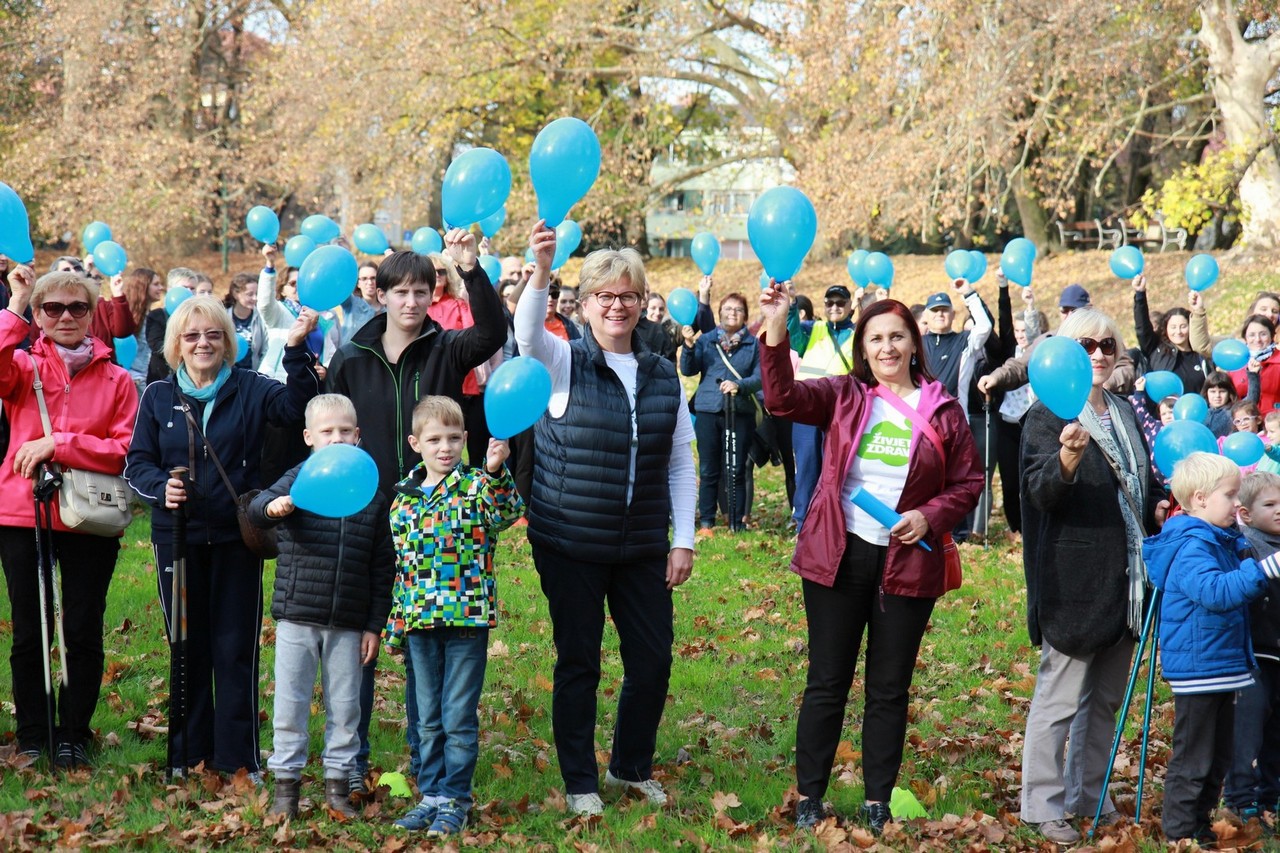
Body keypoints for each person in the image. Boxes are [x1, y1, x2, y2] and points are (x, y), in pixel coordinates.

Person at [756, 286, 982, 835]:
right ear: (862, 346)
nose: (886, 347)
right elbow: (782, 399)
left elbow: (969, 481)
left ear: (913, 343)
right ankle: (811, 795)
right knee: (827, 680)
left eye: (896, 336)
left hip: (908, 561)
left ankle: (877, 800)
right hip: (839, 553)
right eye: (875, 338)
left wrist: (930, 515)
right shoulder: (845, 395)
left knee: (889, 686)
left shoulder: (943, 409)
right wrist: (776, 328)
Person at [515, 221, 695, 818]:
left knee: (653, 660)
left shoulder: (663, 373)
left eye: (628, 295)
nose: (617, 306)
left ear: (642, 303)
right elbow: (525, 335)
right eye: (605, 296)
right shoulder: (563, 360)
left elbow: (679, 461)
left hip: (642, 543)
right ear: (585, 304)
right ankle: (580, 779)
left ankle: (629, 767)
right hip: (570, 539)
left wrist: (684, 539)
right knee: (580, 662)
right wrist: (541, 269)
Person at [327, 229, 505, 794]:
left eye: (420, 292)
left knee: (425, 636)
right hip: (364, 510)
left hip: (434, 519)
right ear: (379, 295)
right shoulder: (352, 357)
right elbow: (327, 430)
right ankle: (351, 758)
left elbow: (493, 331)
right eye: (399, 292)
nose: (410, 302)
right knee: (361, 636)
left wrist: (471, 270)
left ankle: (427, 763)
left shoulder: (447, 348)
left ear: (433, 295)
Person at [125, 295, 320, 776]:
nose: (202, 343)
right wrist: (158, 487)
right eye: (191, 336)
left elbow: (298, 408)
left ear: (228, 341)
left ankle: (238, 760)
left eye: (213, 334)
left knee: (235, 649)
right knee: (187, 648)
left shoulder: (253, 388)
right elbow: (137, 464)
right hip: (178, 538)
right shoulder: (157, 396)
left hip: (236, 538)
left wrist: (295, 349)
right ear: (176, 345)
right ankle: (186, 756)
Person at [1019, 307, 1169, 844]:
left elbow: (1136, 485)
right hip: (1073, 579)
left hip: (1128, 578)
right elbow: (1037, 494)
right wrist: (1063, 458)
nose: (1099, 355)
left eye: (1108, 344)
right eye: (1086, 345)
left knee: (1103, 699)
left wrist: (1155, 510)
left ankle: (1088, 792)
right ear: (1065, 351)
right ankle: (1041, 802)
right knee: (1059, 699)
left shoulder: (1126, 411)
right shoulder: (1046, 415)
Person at [0, 267, 138, 768]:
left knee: (81, 627)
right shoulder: (20, 366)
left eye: (77, 307)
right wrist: (14, 303)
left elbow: (124, 448)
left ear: (92, 314)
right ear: (38, 316)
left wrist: (60, 443)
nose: (65, 316)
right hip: (22, 511)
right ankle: (34, 733)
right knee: (30, 629)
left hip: (90, 517)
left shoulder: (118, 378)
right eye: (51, 308)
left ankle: (73, 733)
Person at [385, 396, 524, 836]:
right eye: (434, 439)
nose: (444, 447)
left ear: (465, 440)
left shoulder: (477, 487)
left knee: (457, 716)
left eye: (452, 438)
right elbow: (402, 569)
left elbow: (508, 512)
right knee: (427, 717)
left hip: (466, 619)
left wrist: (498, 470)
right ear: (415, 443)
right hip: (421, 623)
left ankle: (455, 798)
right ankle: (431, 794)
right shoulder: (403, 500)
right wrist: (395, 624)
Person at [252, 394, 393, 818]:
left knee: (346, 707)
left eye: (345, 431)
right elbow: (258, 507)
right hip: (298, 614)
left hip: (349, 620)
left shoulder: (370, 491)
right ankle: (286, 789)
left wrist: (373, 625)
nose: (337, 439)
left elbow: (383, 566)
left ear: (357, 435)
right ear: (309, 437)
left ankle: (337, 787)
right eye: (327, 432)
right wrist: (273, 507)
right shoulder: (298, 479)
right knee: (290, 704)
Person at [1144, 453, 1278, 845]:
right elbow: (1217, 593)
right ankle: (1180, 832)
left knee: (1218, 757)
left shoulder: (1223, 539)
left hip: (1223, 665)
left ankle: (1200, 826)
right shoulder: (1193, 545)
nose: (1238, 504)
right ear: (1200, 499)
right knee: (1194, 758)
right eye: (1230, 495)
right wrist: (1264, 569)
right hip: (1200, 669)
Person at [1224, 471, 1280, 824]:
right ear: (1245, 513)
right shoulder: (1244, 546)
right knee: (1247, 732)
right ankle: (1240, 797)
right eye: (1270, 504)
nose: (1279, 511)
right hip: (1254, 655)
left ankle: (1271, 795)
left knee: (1277, 733)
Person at [680, 292, 760, 531]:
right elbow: (688, 370)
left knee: (736, 468)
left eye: (738, 310)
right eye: (727, 309)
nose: (732, 313)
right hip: (708, 410)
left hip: (739, 412)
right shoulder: (706, 340)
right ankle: (706, 521)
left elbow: (759, 378)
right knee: (708, 469)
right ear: (719, 313)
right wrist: (688, 347)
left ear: (745, 316)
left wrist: (740, 385)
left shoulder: (753, 344)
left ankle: (736, 521)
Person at [920, 281, 993, 541]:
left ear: (952, 315)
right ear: (926, 316)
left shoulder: (965, 342)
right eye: (935, 310)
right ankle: (928, 525)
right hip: (921, 422)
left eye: (945, 310)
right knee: (925, 475)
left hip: (955, 421)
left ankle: (959, 533)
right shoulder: (917, 343)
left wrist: (969, 294)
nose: (940, 314)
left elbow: (985, 326)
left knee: (955, 479)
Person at [787, 284, 856, 531]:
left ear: (850, 306)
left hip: (840, 411)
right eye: (830, 303)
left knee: (835, 467)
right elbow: (793, 335)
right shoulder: (812, 329)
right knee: (806, 467)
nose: (835, 307)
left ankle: (832, 521)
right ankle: (803, 522)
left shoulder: (859, 334)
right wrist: (793, 303)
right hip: (808, 409)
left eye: (840, 303)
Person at [1132, 274, 1212, 396]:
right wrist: (1140, 294)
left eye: (1183, 326)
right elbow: (1142, 328)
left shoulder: (1201, 355)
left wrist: (1198, 310)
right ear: (1165, 329)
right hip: (1163, 413)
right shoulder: (1155, 348)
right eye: (1173, 327)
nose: (1178, 332)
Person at [145, 267, 199, 383]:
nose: (189, 292)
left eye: (192, 288)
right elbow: (156, 345)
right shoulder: (156, 316)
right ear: (170, 290)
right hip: (162, 377)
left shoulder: (200, 319)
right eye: (184, 288)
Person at [122, 268, 163, 393]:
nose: (161, 288)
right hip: (131, 380)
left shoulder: (150, 316)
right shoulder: (127, 316)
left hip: (144, 379)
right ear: (143, 286)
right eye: (156, 284)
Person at [224, 272, 265, 371]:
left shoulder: (261, 317)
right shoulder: (223, 316)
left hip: (253, 374)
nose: (255, 298)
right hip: (228, 374)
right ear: (235, 294)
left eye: (257, 294)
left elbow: (264, 350)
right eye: (249, 294)